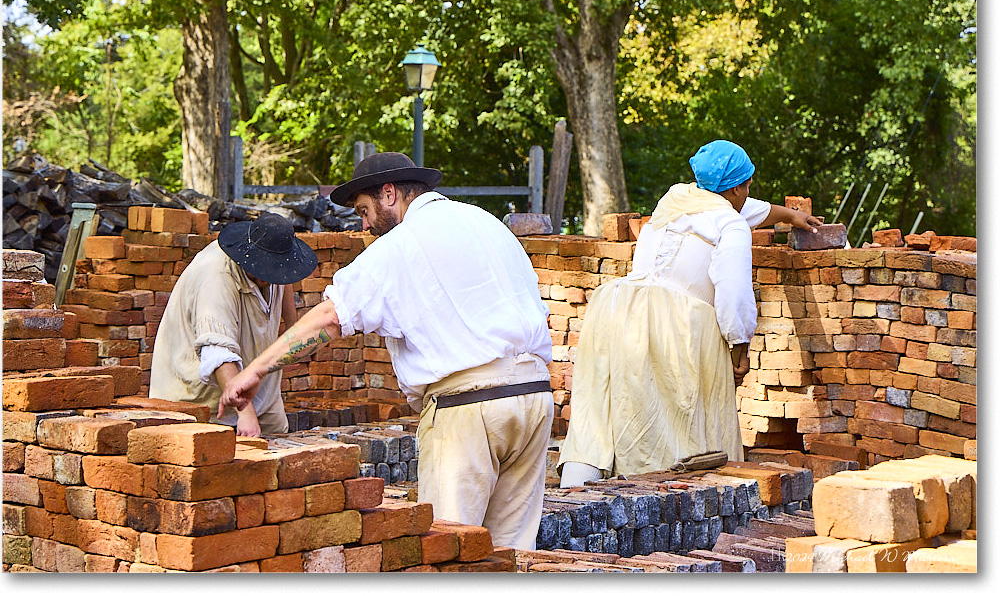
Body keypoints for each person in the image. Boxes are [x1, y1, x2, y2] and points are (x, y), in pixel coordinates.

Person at [218, 152, 554, 549]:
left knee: (449, 553)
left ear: (389, 193)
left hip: (470, 407)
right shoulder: (485, 223)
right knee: (509, 555)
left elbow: (331, 316)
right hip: (534, 398)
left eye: (364, 210)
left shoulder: (404, 242)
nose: (363, 225)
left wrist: (255, 370)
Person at [558, 139, 822, 487]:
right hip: (671, 322)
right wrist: (739, 349)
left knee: (600, 417)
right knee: (667, 428)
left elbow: (736, 207)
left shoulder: (676, 199)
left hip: (613, 309)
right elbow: (734, 294)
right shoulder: (731, 225)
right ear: (739, 188)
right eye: (746, 186)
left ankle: (572, 500)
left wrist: (789, 215)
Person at [149, 212, 317, 437]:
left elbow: (285, 279)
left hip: (260, 392)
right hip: (200, 403)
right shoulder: (216, 277)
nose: (273, 277)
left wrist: (293, 326)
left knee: (278, 457)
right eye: (269, 271)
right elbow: (218, 351)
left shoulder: (276, 268)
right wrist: (245, 413)